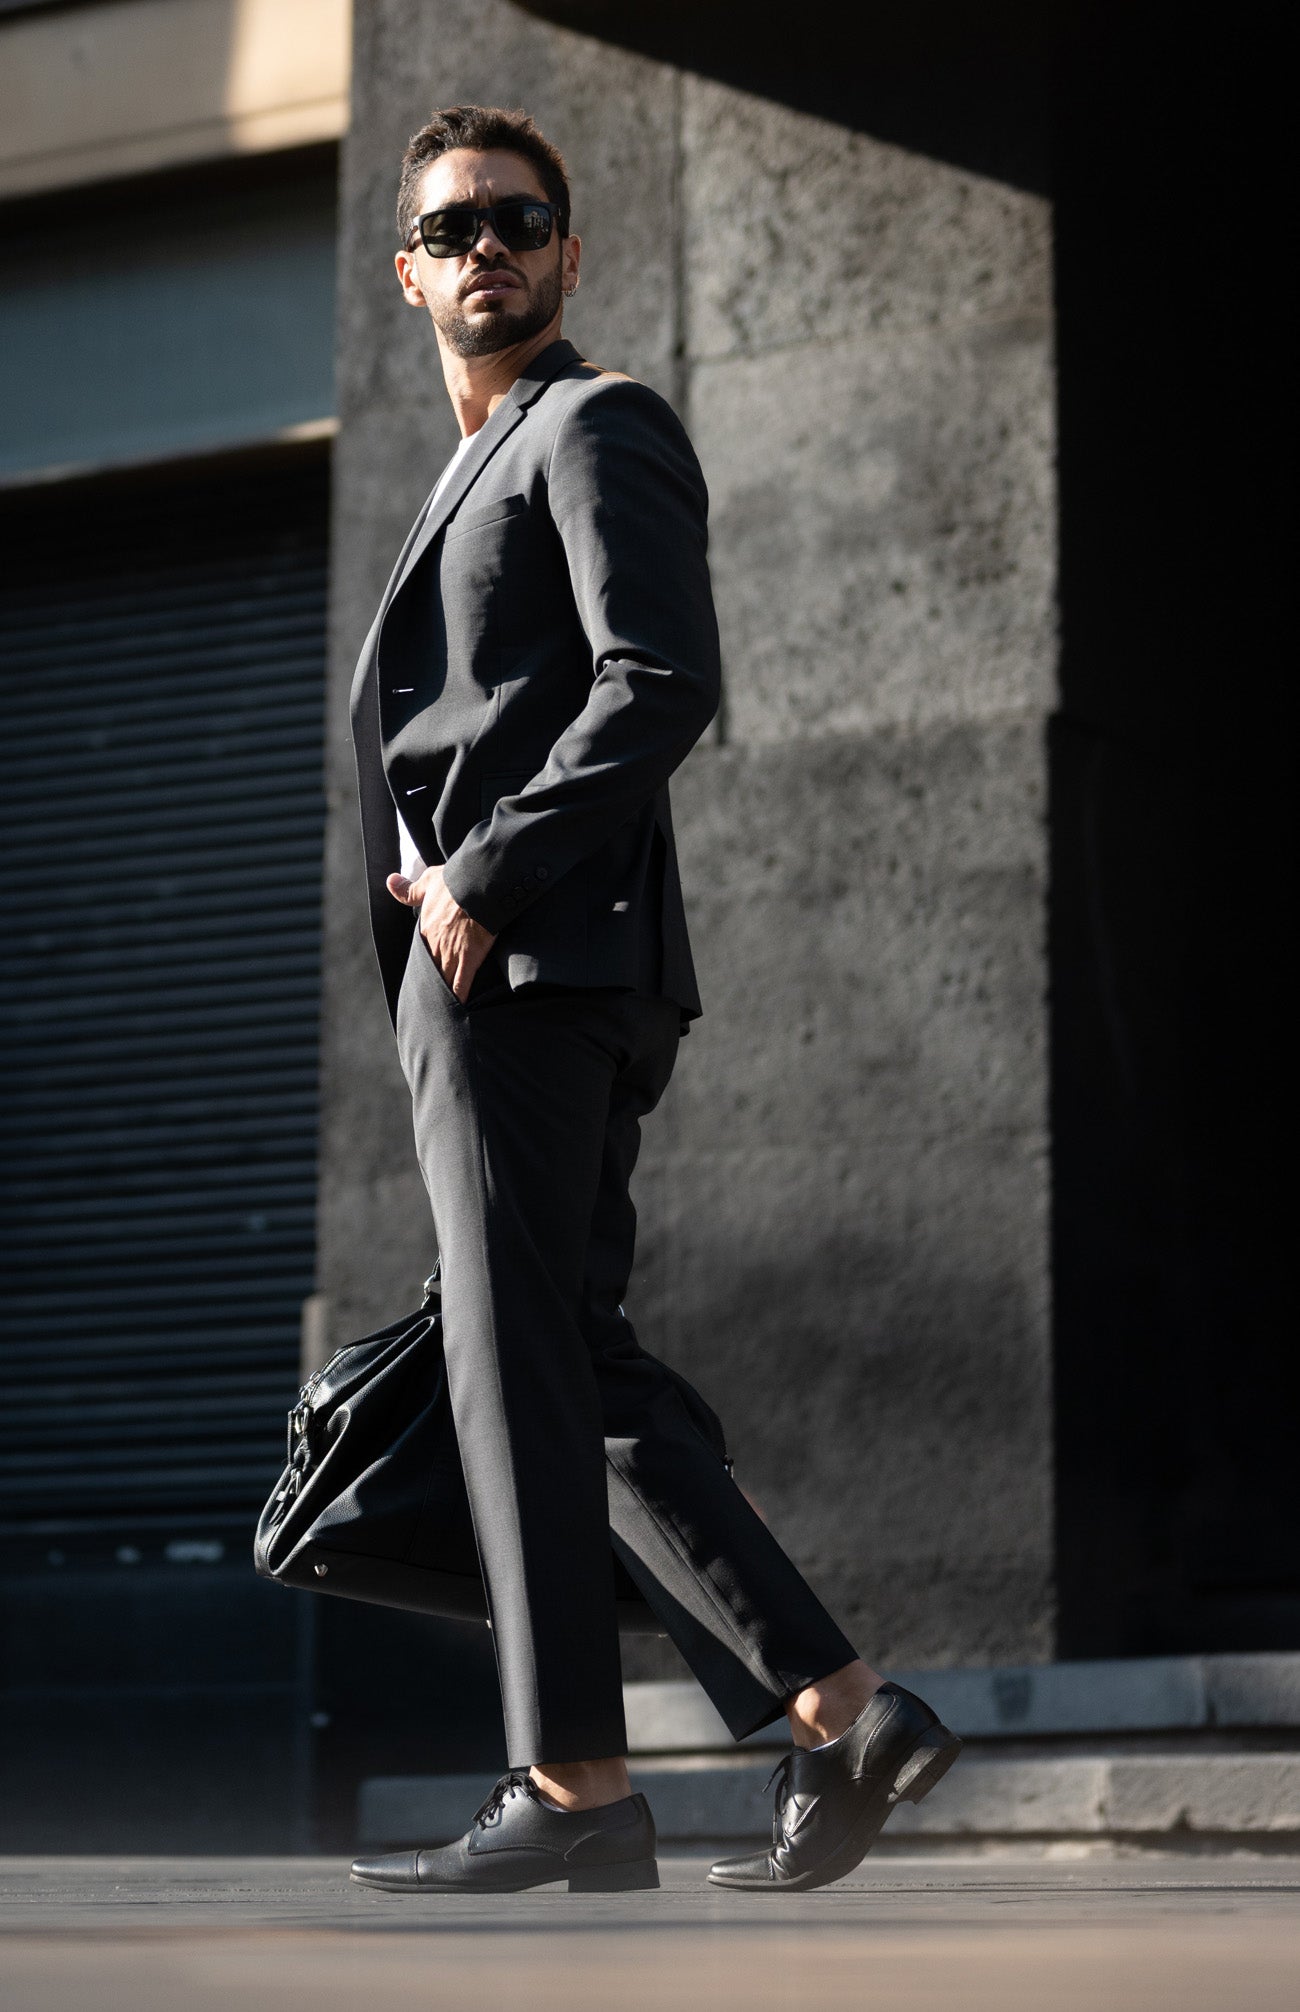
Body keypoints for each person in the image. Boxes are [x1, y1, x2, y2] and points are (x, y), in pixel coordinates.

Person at [346, 104, 960, 1897]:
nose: (487, 249)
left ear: (570, 253)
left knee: (517, 1365)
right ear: (408, 272)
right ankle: (837, 1717)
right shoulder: (485, 458)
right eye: (453, 228)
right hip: (513, 964)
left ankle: (581, 1779)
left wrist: (480, 872)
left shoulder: (595, 422)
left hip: (528, 958)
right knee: (568, 1362)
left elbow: (661, 679)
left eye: (519, 221)